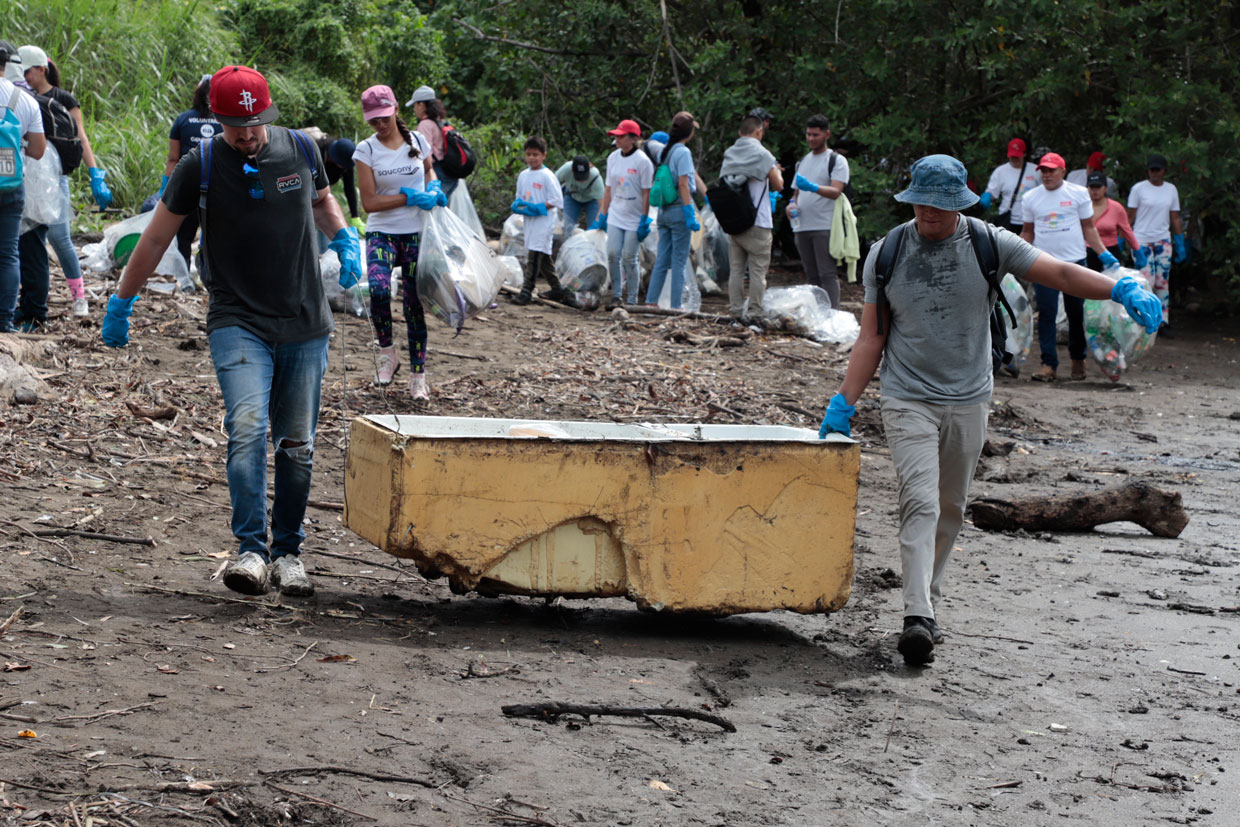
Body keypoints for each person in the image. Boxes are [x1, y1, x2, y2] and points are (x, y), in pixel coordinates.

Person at [817, 154, 1161, 666]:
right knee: (920, 500)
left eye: (941, 205)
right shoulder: (885, 252)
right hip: (906, 396)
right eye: (921, 203)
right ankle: (916, 616)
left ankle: (927, 599)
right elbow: (872, 336)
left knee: (952, 505)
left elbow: (1060, 272)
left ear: (960, 203)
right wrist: (843, 402)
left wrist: (1119, 286)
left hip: (969, 396)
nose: (929, 213)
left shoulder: (988, 241)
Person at [100, 65, 361, 598]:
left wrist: (344, 237)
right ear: (216, 119)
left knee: (297, 445)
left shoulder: (301, 150)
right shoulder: (199, 165)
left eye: (256, 123)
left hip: (305, 321)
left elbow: (321, 202)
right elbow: (154, 241)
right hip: (236, 318)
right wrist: (123, 298)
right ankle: (250, 551)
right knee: (246, 429)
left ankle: (289, 552)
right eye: (236, 125)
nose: (247, 134)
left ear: (268, 114)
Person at [352, 84, 441, 399]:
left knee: (414, 303)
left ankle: (419, 374)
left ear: (396, 111)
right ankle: (388, 354)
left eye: (384, 117)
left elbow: (429, 171)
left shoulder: (418, 140)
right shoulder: (366, 150)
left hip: (416, 233)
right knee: (377, 290)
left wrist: (434, 188)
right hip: (382, 232)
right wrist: (408, 196)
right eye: (373, 120)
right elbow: (370, 203)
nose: (380, 124)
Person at [16, 46, 108, 323]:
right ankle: (30, 298)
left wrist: (95, 173)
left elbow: (81, 137)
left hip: (54, 180)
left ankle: (79, 296)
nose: (25, 78)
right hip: (26, 181)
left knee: (59, 237)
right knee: (28, 240)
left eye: (28, 72)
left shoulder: (62, 98)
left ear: (41, 70)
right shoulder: (21, 96)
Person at [1019, 152, 1117, 381]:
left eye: (1051, 170)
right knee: (1046, 314)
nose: (1047, 175)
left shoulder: (1078, 194)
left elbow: (1089, 228)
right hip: (1044, 263)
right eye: (1043, 170)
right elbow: (1027, 232)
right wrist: (1012, 257)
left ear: (1063, 171)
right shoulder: (1031, 198)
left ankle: (1077, 359)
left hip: (1074, 262)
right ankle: (1048, 364)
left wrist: (1104, 254)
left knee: (1075, 313)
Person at [0, 41, 46, 334]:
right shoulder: (24, 99)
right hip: (10, 186)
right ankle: (4, 320)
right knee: (7, 253)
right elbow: (39, 150)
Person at [720, 115, 782, 320]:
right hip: (758, 222)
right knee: (757, 272)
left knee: (736, 271)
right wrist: (776, 171)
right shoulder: (763, 154)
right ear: (759, 132)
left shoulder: (730, 154)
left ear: (740, 133)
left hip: (734, 221)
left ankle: (736, 313)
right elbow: (778, 184)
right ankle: (755, 315)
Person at [789, 114, 849, 308]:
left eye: (816, 134)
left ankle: (833, 314)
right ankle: (816, 313)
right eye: (808, 134)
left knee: (827, 273)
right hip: (801, 225)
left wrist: (814, 187)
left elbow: (836, 191)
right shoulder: (802, 162)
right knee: (811, 275)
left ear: (827, 135)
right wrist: (791, 204)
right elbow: (796, 193)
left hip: (824, 225)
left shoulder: (836, 160)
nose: (811, 139)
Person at [163, 74, 222, 272]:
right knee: (214, 236)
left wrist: (165, 187)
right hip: (217, 187)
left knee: (184, 236)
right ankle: (212, 276)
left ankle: (184, 275)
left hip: (187, 186)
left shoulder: (183, 120)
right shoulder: (225, 122)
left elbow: (173, 159)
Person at [644, 111, 700, 309]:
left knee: (662, 260)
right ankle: (676, 307)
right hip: (678, 210)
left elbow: (648, 144)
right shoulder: (683, 152)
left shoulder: (665, 150)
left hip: (663, 211)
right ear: (689, 131)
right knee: (679, 261)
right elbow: (684, 185)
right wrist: (689, 212)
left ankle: (651, 301)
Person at [595, 120, 653, 308]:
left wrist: (644, 218)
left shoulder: (642, 161)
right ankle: (616, 295)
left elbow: (646, 192)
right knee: (612, 254)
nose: (617, 139)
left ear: (633, 138)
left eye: (621, 136)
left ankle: (632, 299)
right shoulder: (613, 158)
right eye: (616, 136)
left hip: (635, 216)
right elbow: (609, 188)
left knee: (629, 257)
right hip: (616, 213)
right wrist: (603, 212)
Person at [510, 135, 572, 306]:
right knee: (542, 255)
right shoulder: (523, 175)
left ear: (544, 155)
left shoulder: (547, 176)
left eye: (536, 155)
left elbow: (556, 199)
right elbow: (520, 197)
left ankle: (527, 290)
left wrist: (539, 207)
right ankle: (557, 288)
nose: (532, 158)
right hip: (530, 220)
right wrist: (520, 206)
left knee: (534, 254)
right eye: (529, 154)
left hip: (544, 221)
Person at [1127, 153, 1185, 328]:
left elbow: (1174, 217)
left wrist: (1180, 241)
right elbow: (1130, 216)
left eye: (1157, 170)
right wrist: (1123, 238)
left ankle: (1162, 321)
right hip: (1141, 240)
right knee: (1146, 281)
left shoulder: (1171, 189)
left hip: (1162, 240)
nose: (1154, 173)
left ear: (1164, 171)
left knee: (1162, 282)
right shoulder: (1138, 189)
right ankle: (1144, 318)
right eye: (1151, 170)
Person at [1086, 171, 1145, 272]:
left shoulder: (1116, 208)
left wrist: (1137, 250)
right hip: (1089, 251)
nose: (1095, 191)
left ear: (1105, 188)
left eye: (1098, 187)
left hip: (1111, 250)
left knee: (1111, 283)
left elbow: (1127, 230)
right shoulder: (1083, 207)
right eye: (1092, 187)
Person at [406, 85, 459, 198]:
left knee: (431, 210)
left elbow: (426, 155)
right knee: (441, 211)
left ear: (421, 105)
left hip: (437, 173)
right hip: (449, 174)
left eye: (415, 105)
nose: (414, 109)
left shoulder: (425, 125)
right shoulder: (441, 122)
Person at [979, 138, 1036, 232]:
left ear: (1024, 154)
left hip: (1030, 220)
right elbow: (992, 191)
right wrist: (987, 197)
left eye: (1017, 156)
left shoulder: (1035, 171)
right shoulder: (1000, 171)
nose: (1014, 158)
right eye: (1012, 155)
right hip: (1008, 220)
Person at [555, 155, 603, 230]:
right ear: (572, 170)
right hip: (572, 196)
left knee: (594, 228)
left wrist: (598, 221)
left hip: (592, 199)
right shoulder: (565, 169)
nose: (582, 181)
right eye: (579, 177)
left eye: (584, 176)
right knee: (567, 226)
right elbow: (553, 183)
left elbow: (602, 204)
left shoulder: (595, 176)